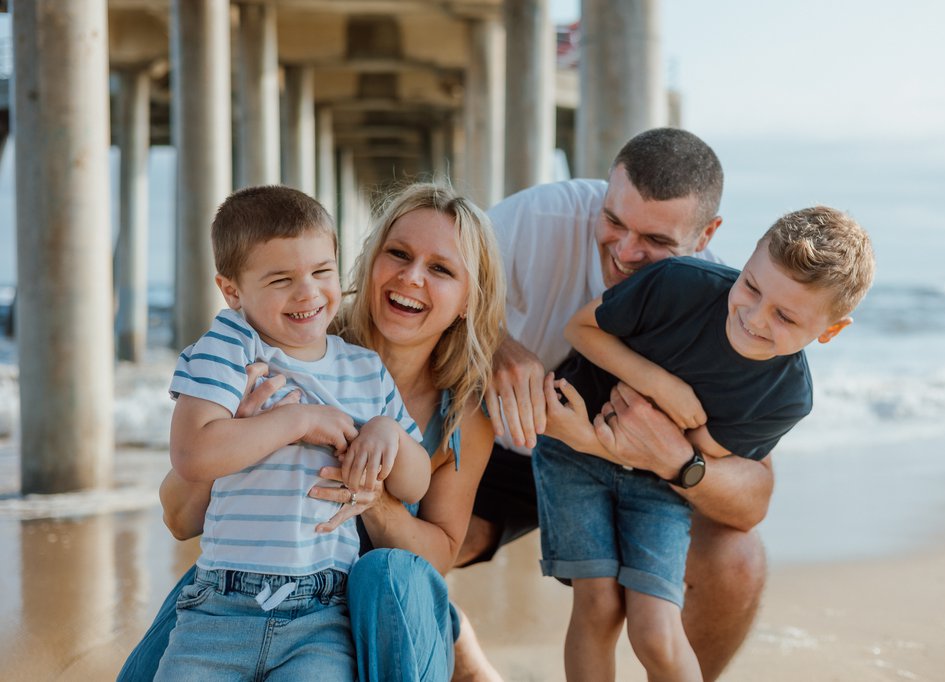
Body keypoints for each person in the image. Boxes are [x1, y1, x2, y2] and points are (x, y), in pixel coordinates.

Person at [119, 181, 505, 681]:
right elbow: (178, 518)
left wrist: (375, 496)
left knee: (385, 573)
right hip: (244, 583)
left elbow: (436, 559)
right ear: (369, 261)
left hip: (368, 607)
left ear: (468, 298)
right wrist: (248, 432)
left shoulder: (462, 413)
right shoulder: (293, 339)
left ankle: (461, 651)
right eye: (399, 254)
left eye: (440, 269)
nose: (411, 278)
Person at [454, 127, 762, 680]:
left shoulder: (725, 302)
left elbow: (752, 496)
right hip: (511, 441)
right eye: (614, 221)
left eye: (657, 241)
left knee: (737, 562)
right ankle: (470, 667)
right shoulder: (538, 218)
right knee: (402, 551)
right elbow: (419, 287)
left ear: (706, 233)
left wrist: (679, 462)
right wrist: (493, 343)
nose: (624, 251)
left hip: (643, 473)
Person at [534, 205, 875, 680]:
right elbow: (580, 328)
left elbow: (678, 454)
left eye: (786, 317)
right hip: (570, 453)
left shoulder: (786, 397)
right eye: (752, 287)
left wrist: (601, 442)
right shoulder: (677, 282)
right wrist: (658, 383)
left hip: (657, 483)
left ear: (830, 331)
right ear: (749, 256)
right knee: (599, 604)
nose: (754, 317)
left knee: (655, 629)